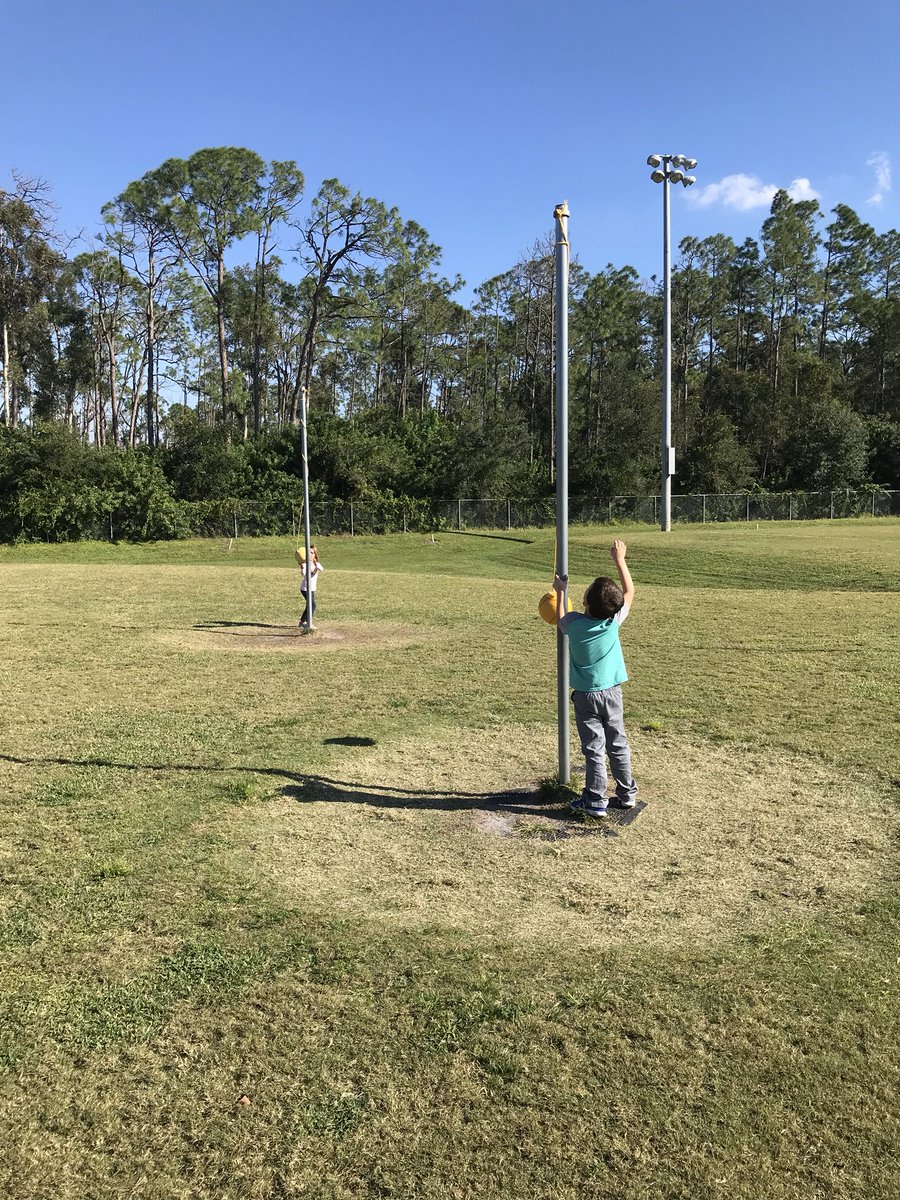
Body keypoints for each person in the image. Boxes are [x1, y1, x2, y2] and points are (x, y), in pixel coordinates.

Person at [552, 539, 637, 818]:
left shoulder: (575, 626)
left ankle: (596, 801)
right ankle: (627, 795)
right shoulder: (613, 622)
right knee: (617, 743)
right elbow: (629, 591)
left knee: (594, 749)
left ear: (585, 601)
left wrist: (560, 592)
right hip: (613, 693)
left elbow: (560, 617)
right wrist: (619, 559)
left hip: (586, 697)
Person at [296, 545, 324, 628]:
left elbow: (321, 569)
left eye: (313, 553)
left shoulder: (316, 564)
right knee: (312, 605)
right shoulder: (305, 564)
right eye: (309, 553)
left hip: (312, 588)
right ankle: (309, 623)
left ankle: (302, 622)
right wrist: (303, 567)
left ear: (315, 554)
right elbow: (304, 574)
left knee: (309, 605)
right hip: (305, 588)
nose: (311, 554)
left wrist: (315, 563)